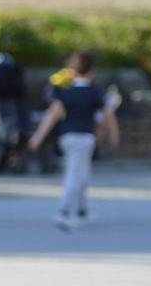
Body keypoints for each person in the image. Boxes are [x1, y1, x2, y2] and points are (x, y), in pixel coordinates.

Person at [28, 50, 119, 231]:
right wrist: (114, 135)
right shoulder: (94, 92)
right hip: (84, 139)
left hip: (67, 137)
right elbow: (108, 115)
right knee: (75, 175)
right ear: (91, 71)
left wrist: (37, 137)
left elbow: (52, 115)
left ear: (72, 70)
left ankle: (82, 211)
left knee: (82, 174)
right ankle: (63, 212)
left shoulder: (66, 92)